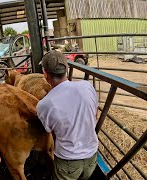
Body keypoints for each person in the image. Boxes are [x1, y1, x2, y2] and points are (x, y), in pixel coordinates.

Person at [36, 51, 99, 180]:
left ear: (45, 74)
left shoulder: (44, 105)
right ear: (67, 69)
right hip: (92, 157)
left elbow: (50, 132)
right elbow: (94, 113)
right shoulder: (87, 86)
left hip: (68, 162)